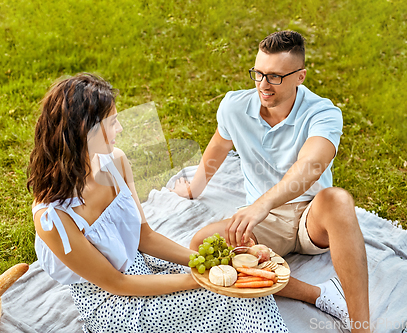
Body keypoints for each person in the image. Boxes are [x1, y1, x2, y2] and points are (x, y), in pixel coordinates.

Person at [27, 73, 289, 333]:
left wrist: (209, 265)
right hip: (115, 306)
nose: (119, 129)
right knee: (233, 296)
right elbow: (117, 283)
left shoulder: (116, 162)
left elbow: (146, 238)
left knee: (244, 285)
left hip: (144, 271)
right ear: (85, 130)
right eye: (112, 122)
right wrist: (203, 281)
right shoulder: (53, 218)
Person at [172, 31, 371, 332]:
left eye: (275, 77)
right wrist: (193, 188)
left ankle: (362, 325)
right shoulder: (234, 107)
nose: (263, 85)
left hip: (312, 217)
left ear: (300, 76)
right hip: (265, 225)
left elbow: (312, 165)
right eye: (259, 74)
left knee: (338, 199)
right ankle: (319, 295)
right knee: (202, 244)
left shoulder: (323, 113)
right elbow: (218, 147)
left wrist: (262, 204)